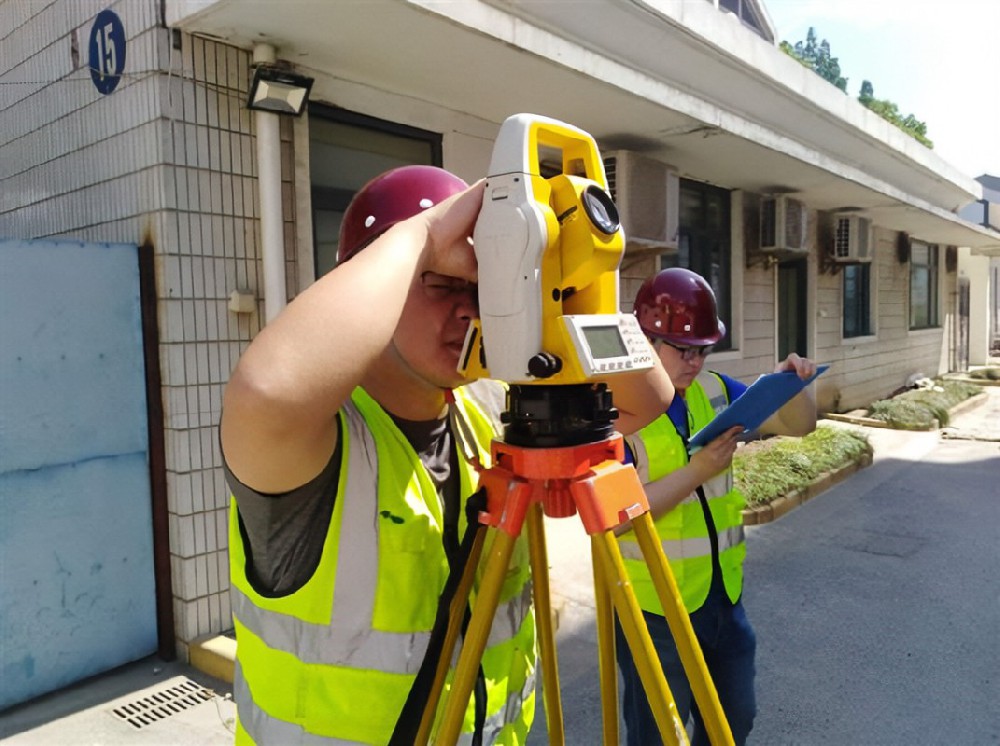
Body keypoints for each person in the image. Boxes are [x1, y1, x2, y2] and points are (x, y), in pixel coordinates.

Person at [220, 164, 673, 745]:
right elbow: (267, 389)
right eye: (441, 283)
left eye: (481, 289)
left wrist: (563, 275)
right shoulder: (314, 444)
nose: (470, 310)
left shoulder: (489, 410)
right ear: (377, 283)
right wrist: (426, 235)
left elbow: (648, 398)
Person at [614, 267, 818, 746]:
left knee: (733, 720)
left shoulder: (716, 390)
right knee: (658, 735)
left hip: (722, 597)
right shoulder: (617, 410)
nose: (695, 362)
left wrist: (792, 384)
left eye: (703, 350)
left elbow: (799, 425)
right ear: (645, 341)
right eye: (682, 349)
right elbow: (618, 519)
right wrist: (698, 471)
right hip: (654, 609)